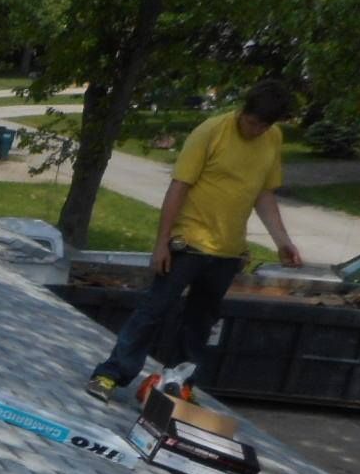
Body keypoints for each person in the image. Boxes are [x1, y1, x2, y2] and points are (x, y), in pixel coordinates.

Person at [85, 79, 302, 403]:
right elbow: (178, 187)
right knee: (153, 311)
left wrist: (282, 240)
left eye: (264, 125)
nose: (257, 130)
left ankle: (176, 384)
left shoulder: (273, 138)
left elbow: (264, 194)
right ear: (243, 110)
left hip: (228, 251)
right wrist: (162, 242)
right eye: (253, 121)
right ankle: (110, 374)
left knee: (199, 323)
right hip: (188, 243)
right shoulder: (211, 131)